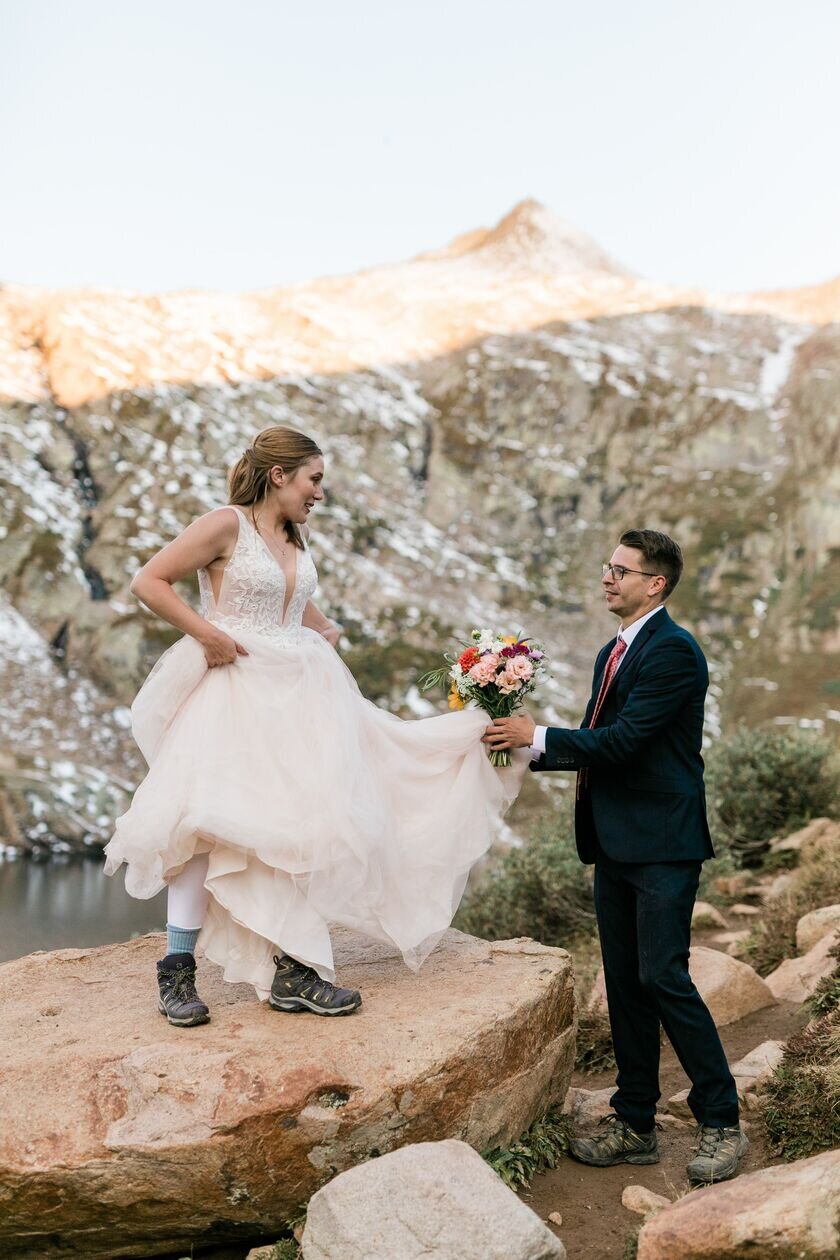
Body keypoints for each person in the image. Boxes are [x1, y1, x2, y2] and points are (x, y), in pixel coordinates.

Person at [104, 426, 526, 1027]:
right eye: (314, 479)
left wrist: (321, 636)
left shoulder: (294, 540)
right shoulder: (226, 524)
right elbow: (148, 580)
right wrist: (208, 634)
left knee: (299, 826)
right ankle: (176, 975)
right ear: (279, 475)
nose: (319, 493)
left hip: (297, 698)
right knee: (201, 826)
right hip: (234, 695)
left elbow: (300, 611)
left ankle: (292, 971)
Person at [482, 529, 748, 1186]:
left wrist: (536, 734)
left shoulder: (674, 652)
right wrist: (517, 744)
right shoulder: (615, 649)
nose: (608, 578)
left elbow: (624, 743)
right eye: (608, 567)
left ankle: (722, 1119)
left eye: (621, 570)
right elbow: (599, 741)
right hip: (617, 841)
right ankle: (634, 1123)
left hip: (662, 843)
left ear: (654, 584)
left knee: (665, 978)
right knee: (627, 984)